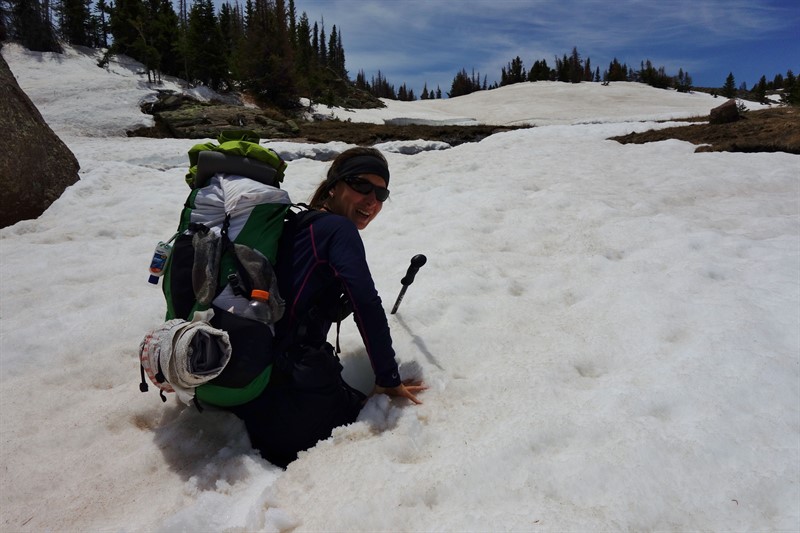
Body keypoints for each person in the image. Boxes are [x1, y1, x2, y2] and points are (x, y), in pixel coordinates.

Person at [230, 147, 426, 468]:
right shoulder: (338, 230)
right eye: (361, 186)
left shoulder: (297, 223)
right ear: (334, 185)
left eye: (381, 192)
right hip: (293, 405)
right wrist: (388, 378)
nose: (371, 200)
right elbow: (366, 301)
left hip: (252, 386)